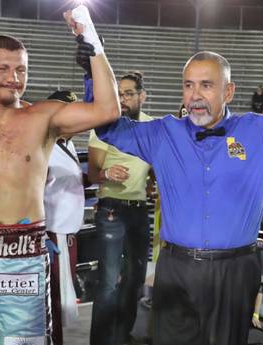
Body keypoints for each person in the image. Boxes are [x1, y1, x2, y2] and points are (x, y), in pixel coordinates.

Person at [78, 38, 263, 343]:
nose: (195, 95)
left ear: (229, 91)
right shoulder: (163, 133)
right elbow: (108, 127)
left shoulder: (261, 132)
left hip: (235, 271)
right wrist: (94, 69)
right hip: (176, 269)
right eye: (188, 85)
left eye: (206, 85)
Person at [0, 4, 120, 344]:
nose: (14, 78)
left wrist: (93, 42)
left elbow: (107, 109)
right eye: (3, 69)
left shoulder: (43, 117)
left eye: (21, 70)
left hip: (26, 254)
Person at [87, 71, 153, 345]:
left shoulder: (152, 127)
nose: (123, 99)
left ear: (142, 96)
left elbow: (156, 167)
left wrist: (152, 180)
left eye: (128, 93)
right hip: (111, 211)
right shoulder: (104, 126)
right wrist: (106, 174)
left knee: (135, 279)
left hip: (140, 211)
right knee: (109, 282)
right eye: (120, 93)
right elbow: (92, 174)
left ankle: (122, 337)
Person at [44, 89, 84, 345]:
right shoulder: (44, 144)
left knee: (58, 301)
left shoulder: (66, 143)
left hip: (67, 233)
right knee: (51, 300)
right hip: (51, 233)